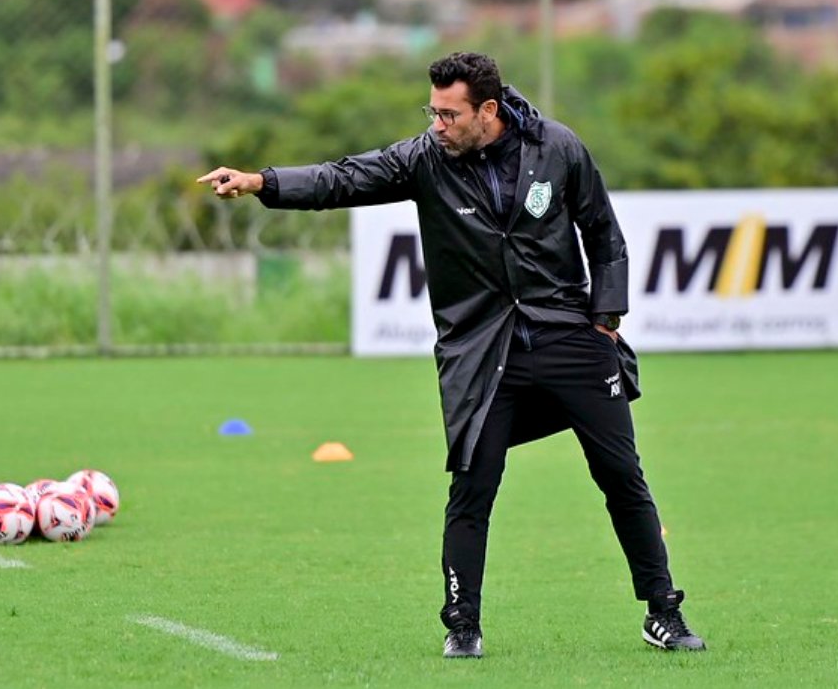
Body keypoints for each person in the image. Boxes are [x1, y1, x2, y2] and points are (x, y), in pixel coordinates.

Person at [198, 52, 705, 657]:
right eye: (431, 111)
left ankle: (663, 614)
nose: (436, 124)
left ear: (487, 111)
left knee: (623, 476)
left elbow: (604, 234)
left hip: (570, 336)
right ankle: (462, 625)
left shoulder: (559, 148)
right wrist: (263, 182)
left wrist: (604, 321)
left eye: (448, 113)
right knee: (473, 488)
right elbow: (342, 177)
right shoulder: (423, 159)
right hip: (483, 350)